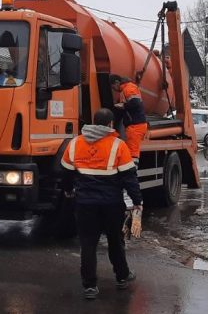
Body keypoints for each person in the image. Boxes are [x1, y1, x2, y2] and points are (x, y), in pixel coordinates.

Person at [61, 108, 143, 300]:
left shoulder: (75, 143)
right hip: (111, 204)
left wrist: (68, 190)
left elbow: (66, 173)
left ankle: (90, 286)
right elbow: (129, 177)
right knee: (115, 241)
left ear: (93, 122)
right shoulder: (118, 145)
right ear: (110, 124)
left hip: (84, 204)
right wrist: (137, 200)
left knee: (88, 244)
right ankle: (122, 277)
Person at [109, 74, 148, 166]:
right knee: (131, 151)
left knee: (133, 153)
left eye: (113, 86)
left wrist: (122, 106)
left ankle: (132, 174)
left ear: (117, 82)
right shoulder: (125, 90)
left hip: (136, 125)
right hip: (135, 124)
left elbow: (136, 103)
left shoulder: (128, 88)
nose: (113, 89)